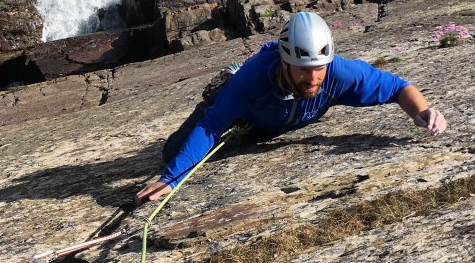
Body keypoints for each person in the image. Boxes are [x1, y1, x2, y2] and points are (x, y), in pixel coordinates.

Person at [136, 11, 447, 204]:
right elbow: (211, 126)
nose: (312, 79)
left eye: (318, 69)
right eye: (302, 70)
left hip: (278, 119)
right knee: (171, 153)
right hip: (248, 112)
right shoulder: (254, 79)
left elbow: (397, 87)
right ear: (284, 62)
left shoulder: (338, 73)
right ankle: (220, 88)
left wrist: (421, 111)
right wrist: (172, 179)